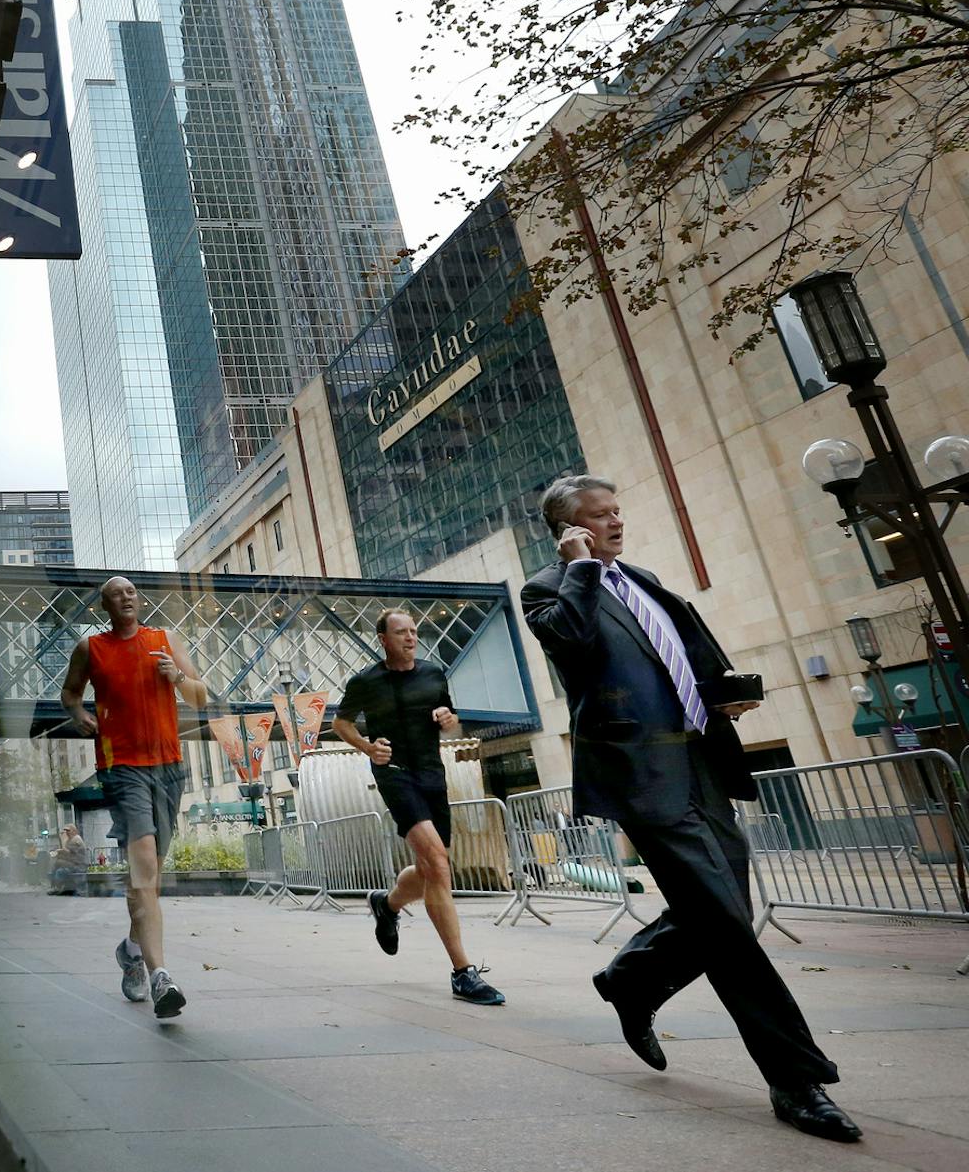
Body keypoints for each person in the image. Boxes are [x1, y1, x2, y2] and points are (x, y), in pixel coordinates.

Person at [522, 474, 857, 1142]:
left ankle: (632, 979)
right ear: (569, 529)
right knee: (728, 927)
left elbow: (678, 656)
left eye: (617, 510)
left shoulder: (644, 578)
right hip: (644, 776)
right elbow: (575, 645)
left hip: (703, 759)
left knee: (723, 906)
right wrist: (580, 569)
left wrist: (720, 693)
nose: (615, 521)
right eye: (598, 516)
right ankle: (796, 1079)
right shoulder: (551, 589)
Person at [331, 610, 504, 1005]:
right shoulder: (366, 681)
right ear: (383, 639)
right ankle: (463, 972)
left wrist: (448, 718)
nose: (410, 638)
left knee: (432, 867)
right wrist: (368, 748)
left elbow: (450, 716)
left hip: (431, 773)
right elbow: (342, 724)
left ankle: (387, 903)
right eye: (401, 632)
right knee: (438, 864)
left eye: (413, 631)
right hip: (394, 773)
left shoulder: (433, 673)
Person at [59, 575, 209, 1020]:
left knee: (149, 876)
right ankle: (161, 974)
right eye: (116, 595)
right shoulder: (92, 649)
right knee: (143, 863)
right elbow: (69, 692)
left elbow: (201, 698)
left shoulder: (163, 640)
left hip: (168, 767)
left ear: (138, 602)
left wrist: (177, 676)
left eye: (131, 593)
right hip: (121, 767)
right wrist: (80, 713)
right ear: (105, 605)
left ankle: (130, 948)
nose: (125, 598)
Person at [48, 822, 89, 895]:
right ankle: (55, 886)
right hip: (72, 863)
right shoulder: (69, 840)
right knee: (58, 866)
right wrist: (58, 852)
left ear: (74, 831)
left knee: (58, 864)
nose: (66, 832)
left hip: (79, 865)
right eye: (65, 831)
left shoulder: (76, 839)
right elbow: (67, 853)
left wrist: (62, 840)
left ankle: (56, 887)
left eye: (68, 830)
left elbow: (68, 851)